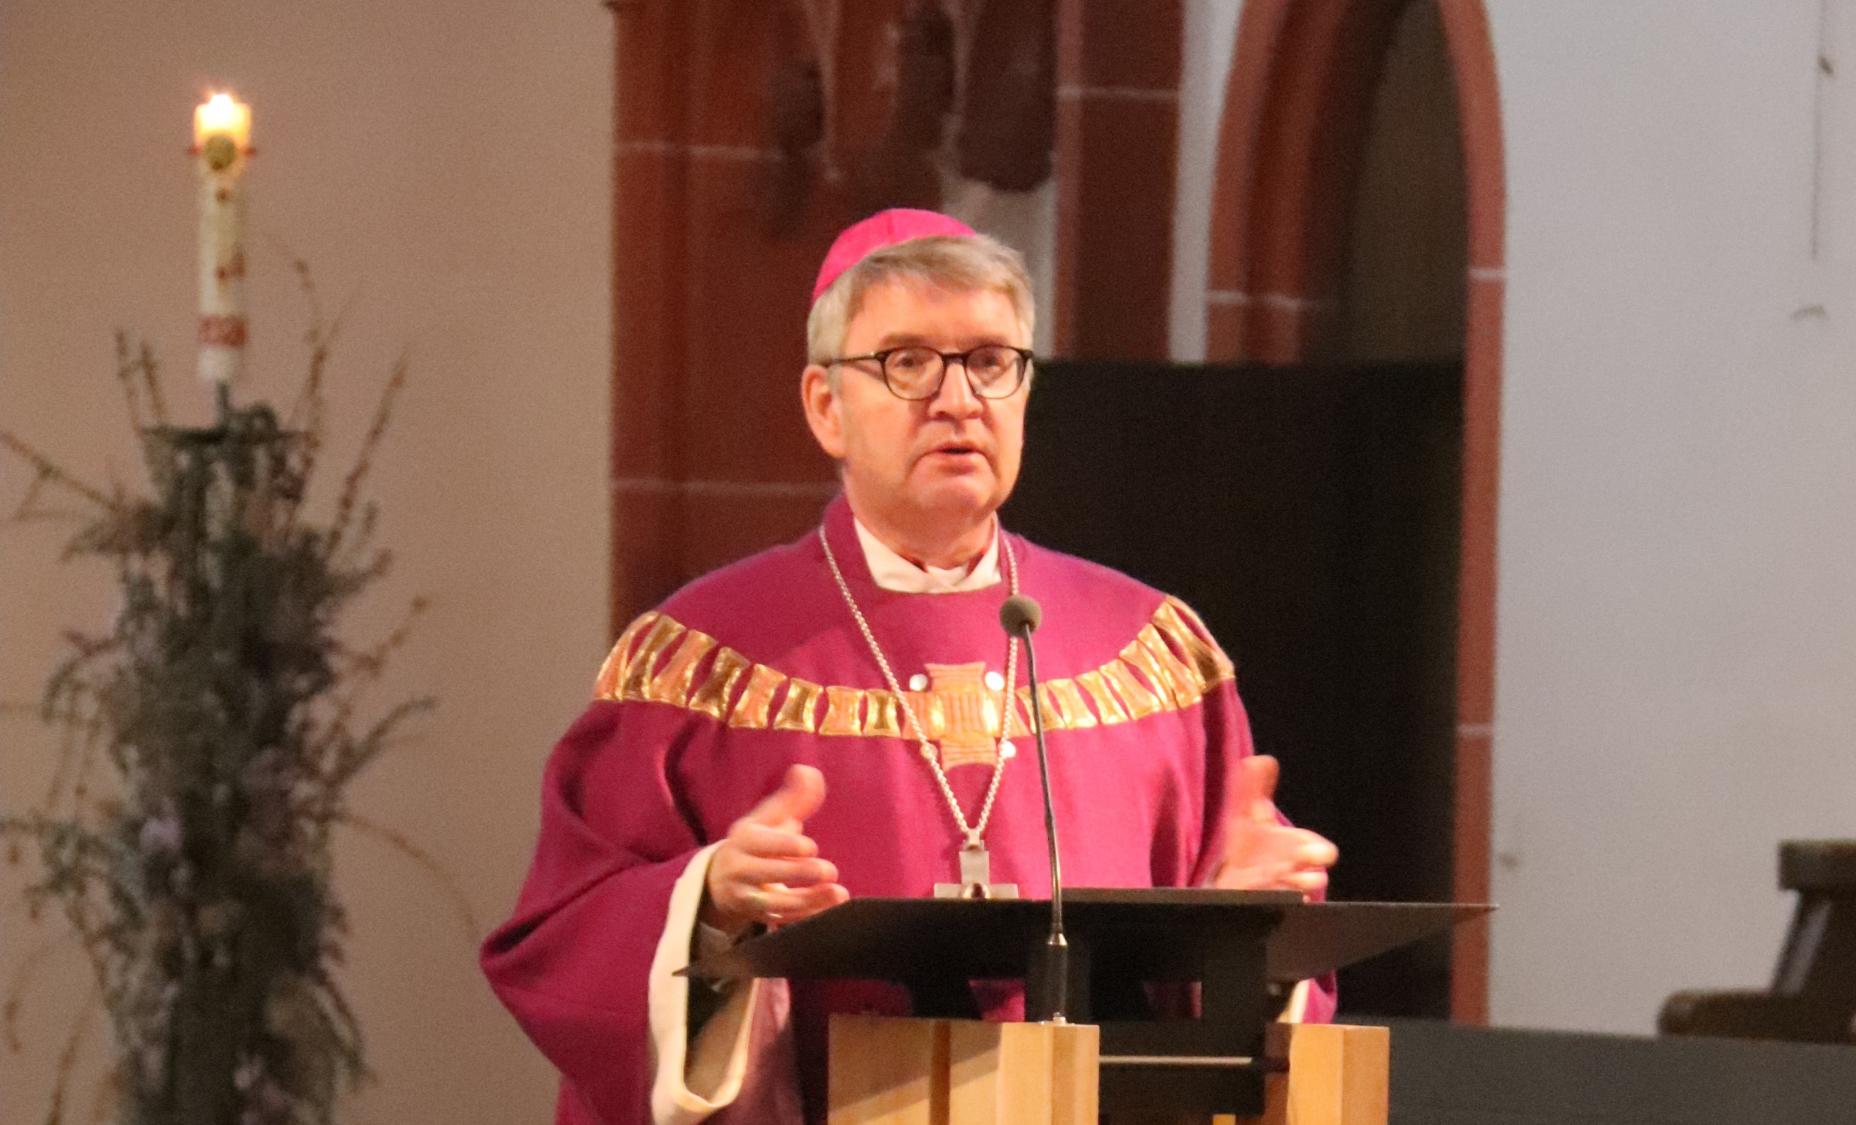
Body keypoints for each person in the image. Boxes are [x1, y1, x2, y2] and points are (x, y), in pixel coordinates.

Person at [481, 209, 1339, 1125]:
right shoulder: (697, 661)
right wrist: (709, 907)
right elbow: (566, 942)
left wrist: (1247, 930)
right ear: (825, 406)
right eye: (907, 362)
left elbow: (1229, 1021)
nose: (957, 399)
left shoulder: (1153, 653)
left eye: (989, 361)